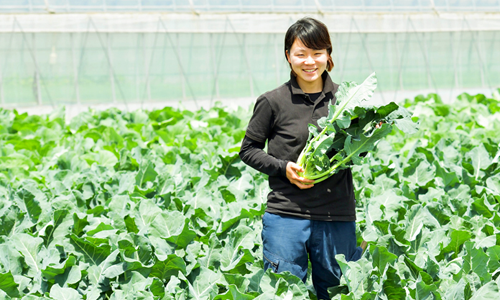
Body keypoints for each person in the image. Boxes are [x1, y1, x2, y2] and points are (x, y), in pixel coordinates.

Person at [239, 17, 365, 300]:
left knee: (338, 293)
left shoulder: (345, 100)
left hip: (336, 214)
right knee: (284, 293)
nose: (310, 61)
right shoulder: (273, 101)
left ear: (328, 54)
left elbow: (357, 152)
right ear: (288, 56)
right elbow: (249, 149)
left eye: (317, 53)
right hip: (286, 214)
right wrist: (284, 169)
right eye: (301, 54)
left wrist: (369, 133)